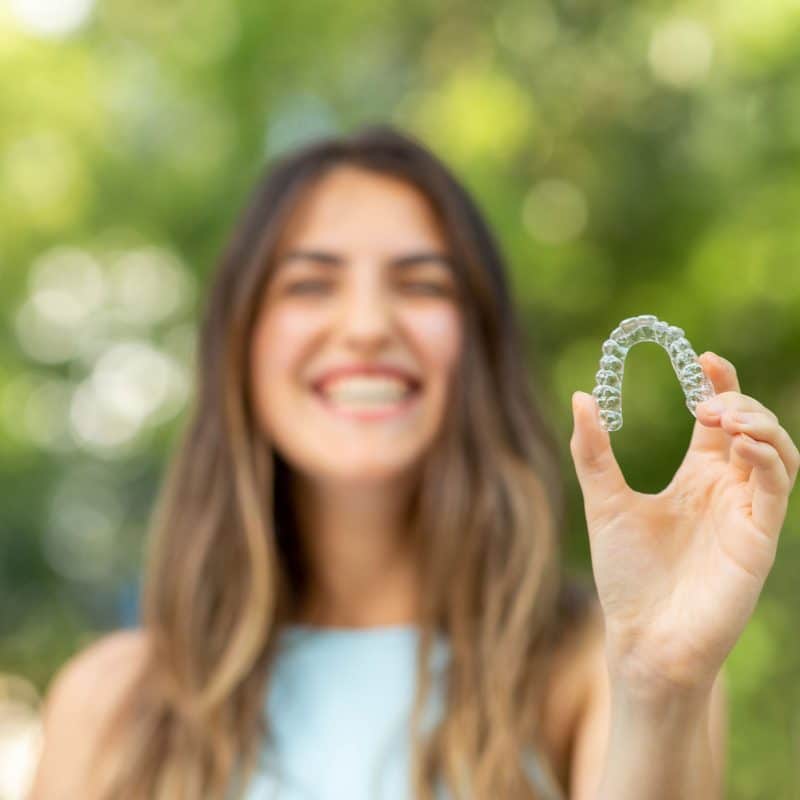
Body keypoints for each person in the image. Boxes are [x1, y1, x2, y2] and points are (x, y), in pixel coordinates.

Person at [27, 125, 798, 800]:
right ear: (240, 345)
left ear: (478, 348)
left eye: (420, 282)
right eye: (310, 283)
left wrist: (659, 691)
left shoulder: (598, 675)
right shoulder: (107, 705)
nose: (366, 326)